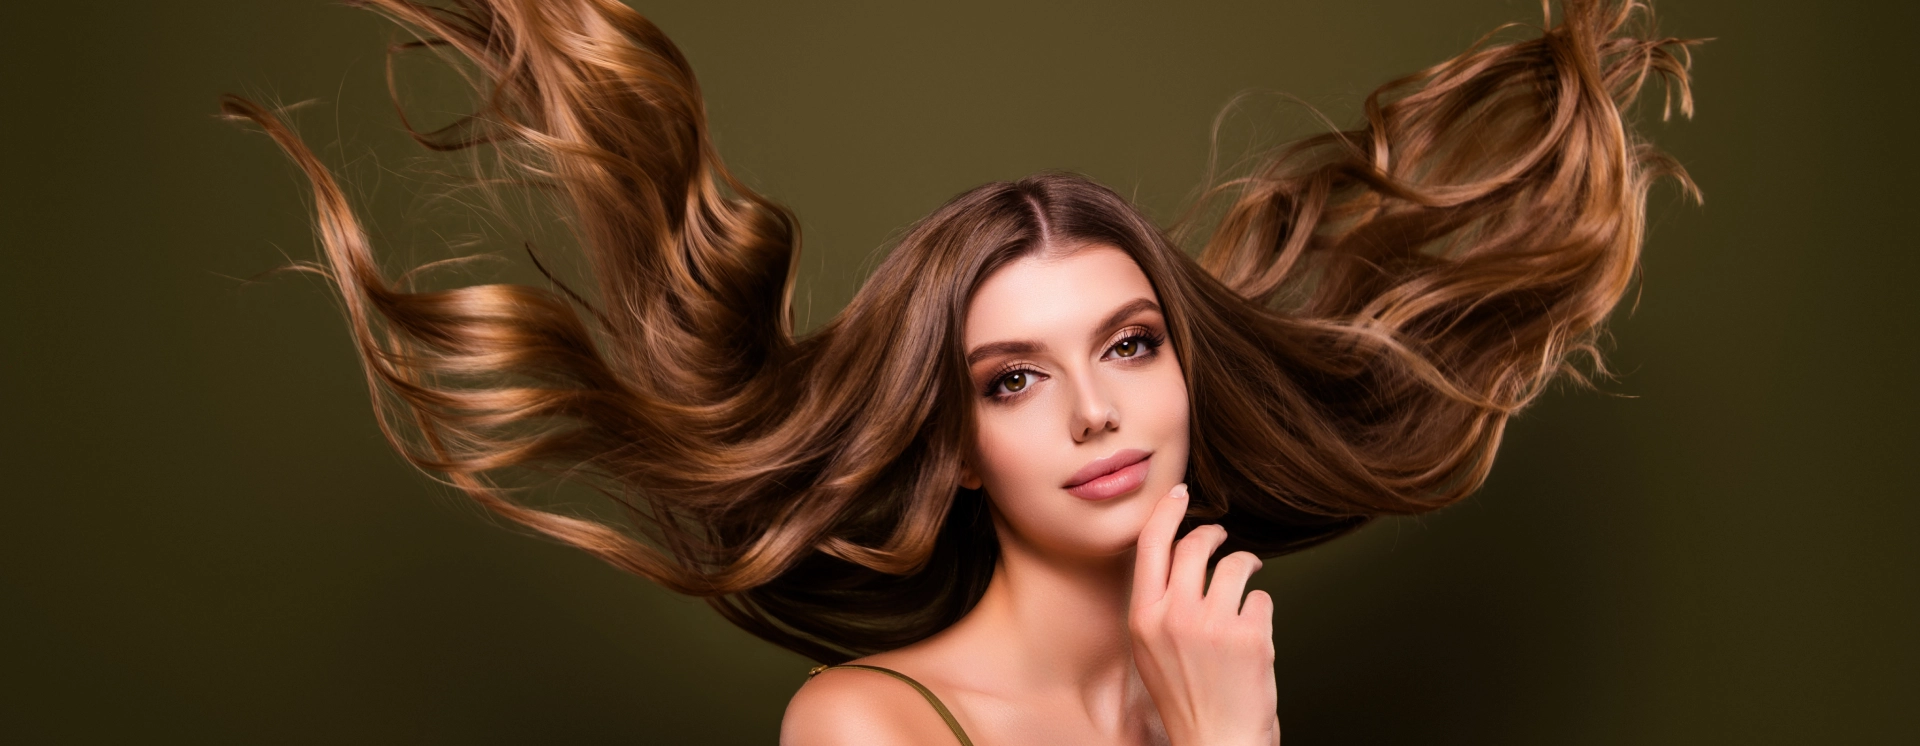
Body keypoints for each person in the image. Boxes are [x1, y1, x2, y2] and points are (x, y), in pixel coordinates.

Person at [223, 0, 1698, 742]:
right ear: (952, 443)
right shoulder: (868, 724)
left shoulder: (1210, 670)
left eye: (1128, 345)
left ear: (1194, 377)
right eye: (1012, 378)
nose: (1096, 408)